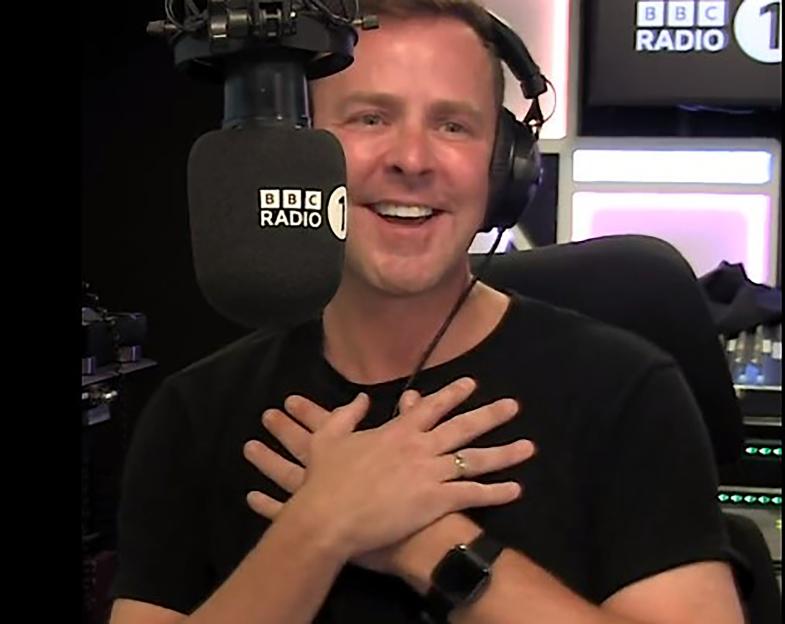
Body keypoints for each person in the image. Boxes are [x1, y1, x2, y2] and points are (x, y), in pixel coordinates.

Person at [108, 1, 746, 623]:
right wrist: (319, 529)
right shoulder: (197, 413)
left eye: (452, 125)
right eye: (370, 119)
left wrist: (428, 544)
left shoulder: (625, 391)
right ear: (302, 157)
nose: (412, 160)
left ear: (504, 165)